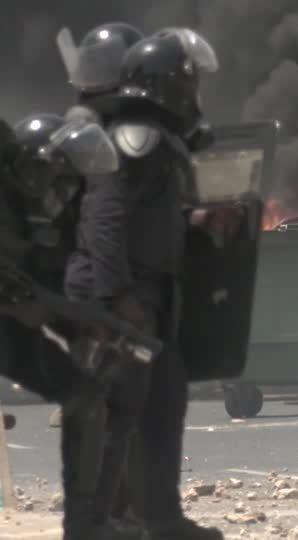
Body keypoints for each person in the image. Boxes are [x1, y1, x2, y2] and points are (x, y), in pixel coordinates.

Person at [58, 25, 226, 540]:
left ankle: (160, 519)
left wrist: (199, 222)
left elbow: (150, 216)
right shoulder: (134, 137)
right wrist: (117, 300)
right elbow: (106, 220)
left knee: (162, 403)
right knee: (113, 416)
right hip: (118, 295)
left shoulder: (156, 140)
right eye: (188, 83)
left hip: (148, 296)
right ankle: (92, 526)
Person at [0, 113, 150, 540]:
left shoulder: (40, 217)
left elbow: (48, 289)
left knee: (88, 394)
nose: (63, 195)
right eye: (59, 183)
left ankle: (89, 525)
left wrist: (91, 329)